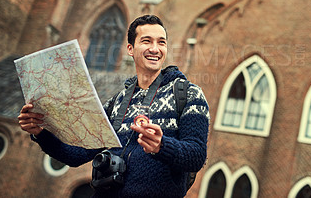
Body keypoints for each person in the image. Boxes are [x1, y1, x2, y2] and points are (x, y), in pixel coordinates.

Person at [18, 15, 210, 198]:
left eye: (161, 42)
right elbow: (76, 155)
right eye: (146, 41)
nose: (155, 48)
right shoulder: (116, 102)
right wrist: (40, 133)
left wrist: (162, 146)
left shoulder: (189, 94)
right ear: (130, 48)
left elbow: (196, 155)